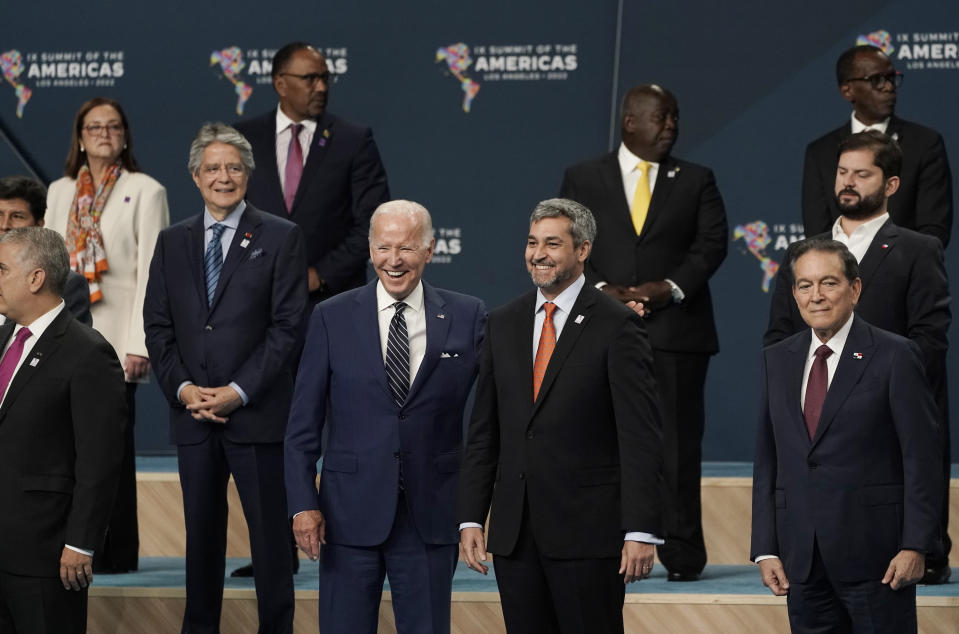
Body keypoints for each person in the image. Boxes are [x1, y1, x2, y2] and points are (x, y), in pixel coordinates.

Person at [458, 198, 664, 633]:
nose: (538, 254)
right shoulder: (502, 323)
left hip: (588, 534)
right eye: (532, 242)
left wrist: (641, 529)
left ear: (583, 250)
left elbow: (640, 437)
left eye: (553, 243)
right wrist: (472, 516)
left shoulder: (617, 325)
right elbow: (484, 431)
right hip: (515, 535)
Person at [285, 200, 485, 633]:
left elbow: (493, 415)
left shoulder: (469, 316)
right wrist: (303, 505)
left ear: (430, 251)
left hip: (431, 514)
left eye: (407, 248)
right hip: (346, 515)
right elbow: (302, 426)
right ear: (370, 249)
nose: (394, 261)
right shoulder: (330, 317)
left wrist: (473, 510)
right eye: (384, 247)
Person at [766, 130, 952, 585]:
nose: (848, 182)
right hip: (814, 415)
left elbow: (930, 336)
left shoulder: (917, 249)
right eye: (842, 172)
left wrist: (876, 389)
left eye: (862, 174)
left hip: (886, 416)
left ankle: (924, 550)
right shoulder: (800, 253)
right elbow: (779, 336)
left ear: (890, 185)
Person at [558, 84, 727, 581]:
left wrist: (667, 288)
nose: (671, 124)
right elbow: (567, 241)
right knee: (601, 443)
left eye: (675, 115)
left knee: (676, 448)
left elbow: (710, 245)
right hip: (603, 331)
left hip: (678, 332)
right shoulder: (583, 177)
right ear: (630, 122)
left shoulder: (697, 179)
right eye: (661, 116)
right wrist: (603, 288)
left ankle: (682, 554)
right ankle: (607, 546)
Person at [143, 123, 307, 632]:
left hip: (255, 416)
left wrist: (238, 392)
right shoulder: (172, 241)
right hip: (193, 416)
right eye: (212, 168)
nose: (223, 177)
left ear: (248, 175)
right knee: (202, 542)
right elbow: (158, 326)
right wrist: (183, 388)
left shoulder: (281, 236)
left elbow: (288, 328)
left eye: (233, 167)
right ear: (195, 176)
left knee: (270, 544)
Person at [752, 238, 941, 633]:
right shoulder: (777, 359)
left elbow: (921, 458)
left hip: (879, 559)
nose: (816, 296)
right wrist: (765, 548)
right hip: (802, 561)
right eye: (805, 285)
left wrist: (916, 546)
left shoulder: (895, 355)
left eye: (829, 283)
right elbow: (769, 458)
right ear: (793, 293)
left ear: (854, 289)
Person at [45, 97, 170, 573]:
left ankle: (117, 552)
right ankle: (70, 543)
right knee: (66, 444)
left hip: (118, 338)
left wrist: (141, 342)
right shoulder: (58, 192)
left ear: (124, 136)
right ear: (80, 136)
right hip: (65, 332)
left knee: (108, 445)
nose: (103, 133)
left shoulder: (145, 190)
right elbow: (50, 266)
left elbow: (150, 274)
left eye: (113, 126)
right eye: (94, 126)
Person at [0, 227, 126, 633]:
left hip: (45, 555)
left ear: (35, 278)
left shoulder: (88, 352)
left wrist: (81, 542)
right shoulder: (3, 338)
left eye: (1, 270)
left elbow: (99, 461)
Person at [235, 41, 389, 305]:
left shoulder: (352, 140)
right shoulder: (243, 139)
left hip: (331, 301)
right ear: (280, 84)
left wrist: (321, 275)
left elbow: (373, 222)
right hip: (257, 303)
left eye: (325, 78)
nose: (321, 87)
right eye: (310, 78)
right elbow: (230, 216)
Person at [801, 44, 953, 246]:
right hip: (840, 274)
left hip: (905, 274)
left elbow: (933, 230)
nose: (888, 87)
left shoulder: (924, 143)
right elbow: (817, 235)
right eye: (876, 80)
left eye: (891, 78)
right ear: (848, 90)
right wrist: (845, 273)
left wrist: (886, 268)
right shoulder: (820, 152)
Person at [0, 176, 90, 325]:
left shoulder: (65, 285)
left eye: (17, 216)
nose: (4, 225)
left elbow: (71, 346)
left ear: (39, 224)